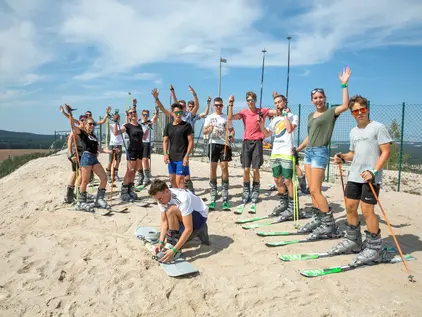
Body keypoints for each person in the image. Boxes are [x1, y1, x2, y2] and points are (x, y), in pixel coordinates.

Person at [328, 95, 392, 265]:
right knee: (350, 207)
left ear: (367, 109)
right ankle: (354, 241)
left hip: (370, 177)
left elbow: (386, 151)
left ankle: (374, 248)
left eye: (362, 110)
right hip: (354, 175)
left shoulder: (378, 127)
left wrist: (374, 171)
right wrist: (342, 157)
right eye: (355, 111)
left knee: (367, 210)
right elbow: (353, 154)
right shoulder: (353, 132)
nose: (359, 113)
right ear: (352, 113)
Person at [295, 67, 352, 239]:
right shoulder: (310, 115)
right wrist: (297, 149)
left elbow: (345, 105)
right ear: (311, 101)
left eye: (320, 97)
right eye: (315, 98)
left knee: (315, 189)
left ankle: (329, 224)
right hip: (309, 152)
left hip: (320, 152)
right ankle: (318, 218)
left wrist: (344, 84)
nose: (318, 100)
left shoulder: (330, 113)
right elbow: (309, 136)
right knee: (312, 191)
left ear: (325, 98)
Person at [228, 91, 277, 208]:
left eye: (252, 100)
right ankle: (246, 190)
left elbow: (277, 111)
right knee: (245, 169)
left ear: (255, 101)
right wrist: (230, 104)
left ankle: (255, 190)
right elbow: (230, 117)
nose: (251, 102)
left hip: (258, 142)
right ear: (246, 101)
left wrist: (276, 98)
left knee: (255, 170)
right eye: (248, 100)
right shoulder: (244, 112)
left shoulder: (262, 111)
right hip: (246, 142)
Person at [61, 105, 112, 212]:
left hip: (94, 158)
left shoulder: (93, 136)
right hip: (86, 157)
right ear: (85, 124)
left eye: (93, 124)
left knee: (104, 178)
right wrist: (69, 114)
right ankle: (81, 202)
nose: (92, 126)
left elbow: (100, 149)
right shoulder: (82, 133)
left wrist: (111, 151)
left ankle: (99, 199)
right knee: (84, 181)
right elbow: (72, 125)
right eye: (90, 124)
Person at [148, 179, 209, 263]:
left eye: (160, 199)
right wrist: (161, 242)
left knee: (171, 210)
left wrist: (174, 250)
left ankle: (201, 229)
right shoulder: (161, 197)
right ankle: (172, 241)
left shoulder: (182, 198)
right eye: (157, 200)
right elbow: (164, 222)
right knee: (168, 217)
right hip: (184, 214)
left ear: (166, 191)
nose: (159, 202)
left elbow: (189, 229)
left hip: (200, 216)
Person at [258, 94, 298, 220]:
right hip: (275, 152)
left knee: (287, 180)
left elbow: (289, 129)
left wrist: (285, 115)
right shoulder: (274, 120)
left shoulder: (293, 116)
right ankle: (284, 203)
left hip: (286, 152)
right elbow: (266, 134)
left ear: (285, 102)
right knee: (277, 179)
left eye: (280, 102)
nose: (277, 104)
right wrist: (261, 124)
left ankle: (293, 207)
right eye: (275, 102)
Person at [203, 96, 235, 208]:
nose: (218, 107)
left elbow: (231, 130)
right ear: (213, 106)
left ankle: (225, 193)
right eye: (216, 105)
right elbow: (204, 131)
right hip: (213, 143)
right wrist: (209, 129)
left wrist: (232, 136)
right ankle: (213, 192)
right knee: (212, 167)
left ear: (222, 106)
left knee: (224, 166)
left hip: (224, 144)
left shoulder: (226, 117)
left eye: (220, 105)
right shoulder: (209, 117)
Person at [161, 101, 194, 189]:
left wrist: (187, 156)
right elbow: (165, 141)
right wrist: (165, 154)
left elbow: (191, 142)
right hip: (171, 157)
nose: (178, 115)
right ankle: (178, 197)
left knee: (179, 180)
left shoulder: (187, 126)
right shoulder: (168, 126)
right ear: (172, 113)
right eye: (176, 113)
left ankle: (183, 199)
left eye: (180, 112)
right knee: (172, 180)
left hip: (182, 157)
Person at [113, 107, 144, 202]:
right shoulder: (127, 125)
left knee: (134, 171)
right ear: (128, 116)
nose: (133, 114)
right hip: (132, 150)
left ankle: (130, 190)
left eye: (134, 112)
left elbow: (142, 137)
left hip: (140, 150)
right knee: (129, 171)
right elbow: (116, 133)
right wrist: (115, 122)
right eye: (130, 113)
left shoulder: (139, 125)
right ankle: (123, 192)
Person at [63, 114, 86, 203]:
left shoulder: (84, 130)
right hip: (76, 153)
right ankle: (77, 193)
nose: (84, 121)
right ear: (79, 121)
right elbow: (70, 141)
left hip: (81, 152)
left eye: (85, 120)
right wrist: (71, 154)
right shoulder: (76, 130)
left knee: (75, 173)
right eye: (82, 120)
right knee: (80, 173)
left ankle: (70, 195)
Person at [136, 108, 158, 187]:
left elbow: (155, 117)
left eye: (147, 115)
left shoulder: (149, 122)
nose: (145, 116)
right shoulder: (138, 121)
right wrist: (134, 105)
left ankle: (147, 177)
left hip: (146, 142)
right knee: (139, 160)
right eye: (144, 115)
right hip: (138, 142)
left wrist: (156, 110)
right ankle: (140, 176)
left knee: (145, 159)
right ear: (142, 115)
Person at [106, 112, 124, 183]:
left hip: (119, 145)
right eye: (115, 118)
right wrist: (107, 114)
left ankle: (115, 175)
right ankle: (108, 175)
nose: (116, 119)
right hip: (112, 145)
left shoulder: (121, 126)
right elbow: (107, 124)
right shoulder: (112, 125)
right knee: (110, 161)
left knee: (118, 161)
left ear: (119, 119)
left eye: (117, 118)